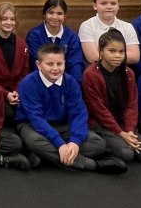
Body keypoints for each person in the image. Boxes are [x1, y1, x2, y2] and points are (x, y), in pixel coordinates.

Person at [16, 43, 126, 173]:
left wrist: (74, 142)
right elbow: (36, 118)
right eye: (50, 64)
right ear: (39, 65)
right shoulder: (28, 83)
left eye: (59, 64)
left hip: (62, 125)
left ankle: (44, 155)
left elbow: (78, 113)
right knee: (34, 141)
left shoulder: (70, 82)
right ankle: (92, 164)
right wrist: (60, 144)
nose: (55, 69)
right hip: (32, 125)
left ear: (64, 63)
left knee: (97, 143)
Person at [82, 29, 141, 163]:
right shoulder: (90, 74)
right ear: (100, 51)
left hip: (122, 122)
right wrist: (121, 133)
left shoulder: (128, 73)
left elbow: (132, 105)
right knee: (127, 154)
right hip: (101, 123)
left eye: (121, 51)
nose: (118, 56)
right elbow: (99, 110)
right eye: (112, 51)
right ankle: (114, 147)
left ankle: (130, 141)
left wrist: (130, 131)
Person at [26, 0, 84, 83]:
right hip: (41, 83)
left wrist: (73, 85)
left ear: (65, 16)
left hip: (66, 83)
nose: (55, 17)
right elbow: (36, 65)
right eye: (51, 13)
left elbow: (76, 65)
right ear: (44, 15)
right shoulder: (34, 35)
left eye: (59, 13)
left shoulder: (72, 36)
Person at [79, 0, 141, 64]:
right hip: (96, 71)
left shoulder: (127, 27)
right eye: (103, 3)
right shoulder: (87, 26)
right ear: (95, 5)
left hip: (122, 71)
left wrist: (106, 54)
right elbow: (93, 57)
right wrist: (120, 54)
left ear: (118, 5)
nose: (109, 7)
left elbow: (135, 57)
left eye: (113, 3)